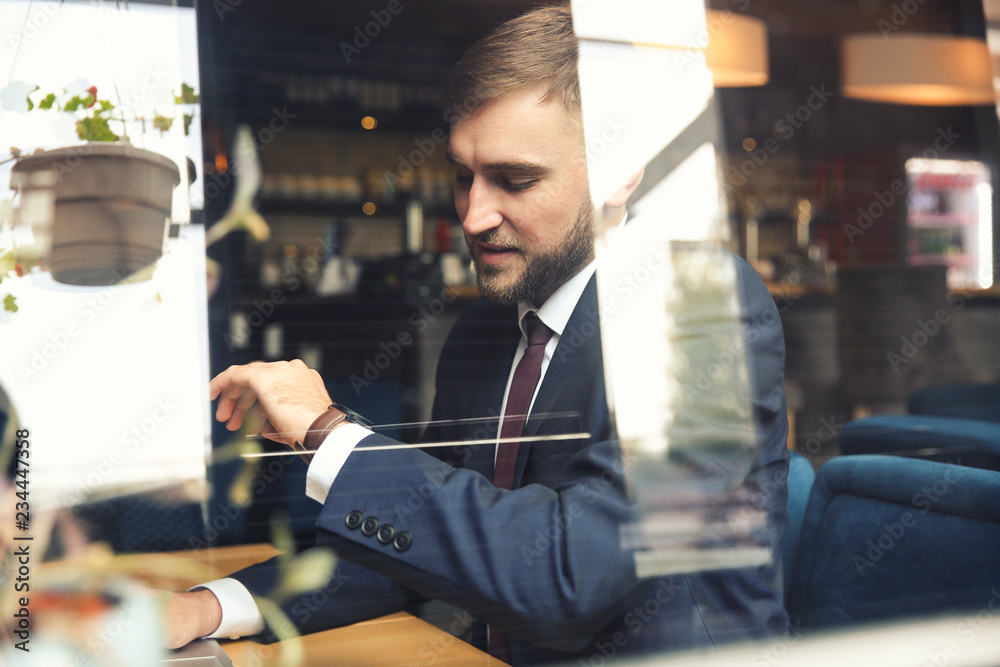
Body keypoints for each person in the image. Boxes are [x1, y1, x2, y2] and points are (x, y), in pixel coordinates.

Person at [165, 5, 790, 664]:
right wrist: (203, 607)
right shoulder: (480, 335)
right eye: (464, 175)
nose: (472, 213)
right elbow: (421, 548)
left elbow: (568, 574)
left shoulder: (699, 313)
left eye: (514, 180)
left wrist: (328, 433)